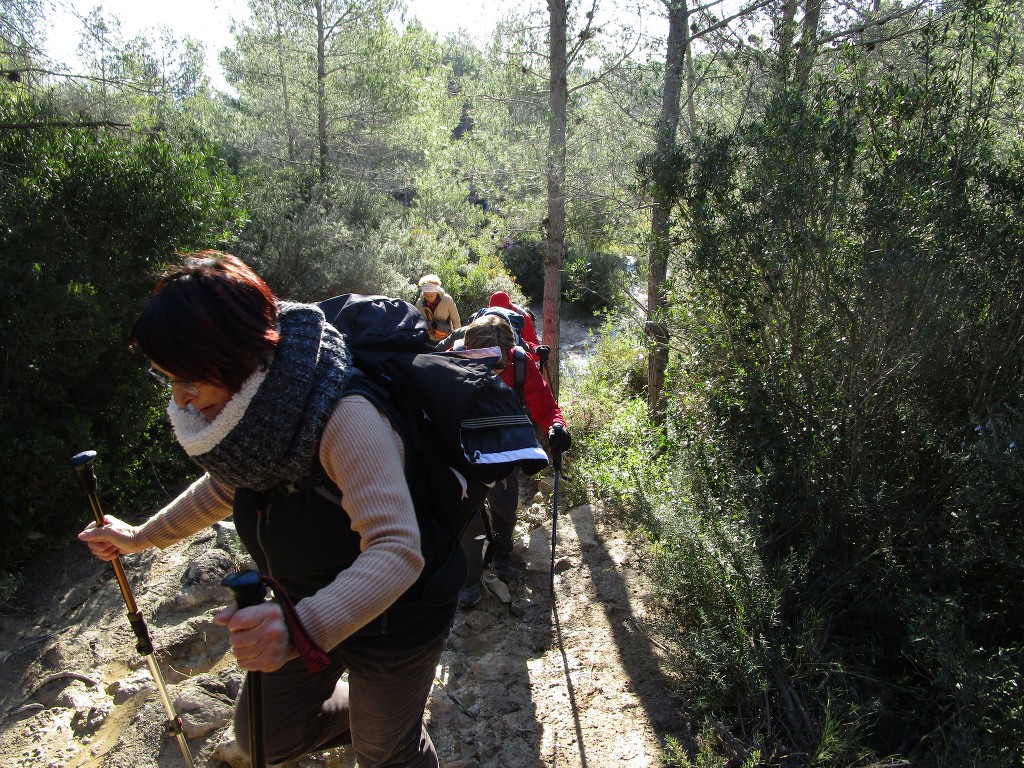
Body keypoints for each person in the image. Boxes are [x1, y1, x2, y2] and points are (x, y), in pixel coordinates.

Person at [78, 252, 452, 768]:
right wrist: (140, 537)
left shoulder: (346, 416)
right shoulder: (258, 414)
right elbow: (226, 488)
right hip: (301, 605)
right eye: (168, 378)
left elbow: (396, 549)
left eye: (192, 379)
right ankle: (378, 719)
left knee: (385, 756)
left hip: (397, 619)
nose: (181, 399)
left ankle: (391, 732)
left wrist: (300, 630)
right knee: (265, 740)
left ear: (238, 356)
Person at [456, 314, 571, 608]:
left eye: (499, 363)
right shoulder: (451, 360)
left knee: (505, 508)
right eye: (484, 362)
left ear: (511, 349)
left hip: (504, 447)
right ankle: (470, 576)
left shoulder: (521, 364)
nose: (493, 370)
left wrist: (556, 427)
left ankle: (502, 550)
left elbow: (545, 406)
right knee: (467, 515)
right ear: (469, 351)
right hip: (465, 447)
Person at [415, 274, 461, 344]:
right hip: (428, 339)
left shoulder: (447, 300)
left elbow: (455, 320)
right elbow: (417, 322)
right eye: (426, 296)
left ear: (436, 292)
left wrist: (458, 338)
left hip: (446, 338)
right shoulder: (419, 304)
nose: (429, 298)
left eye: (431, 296)